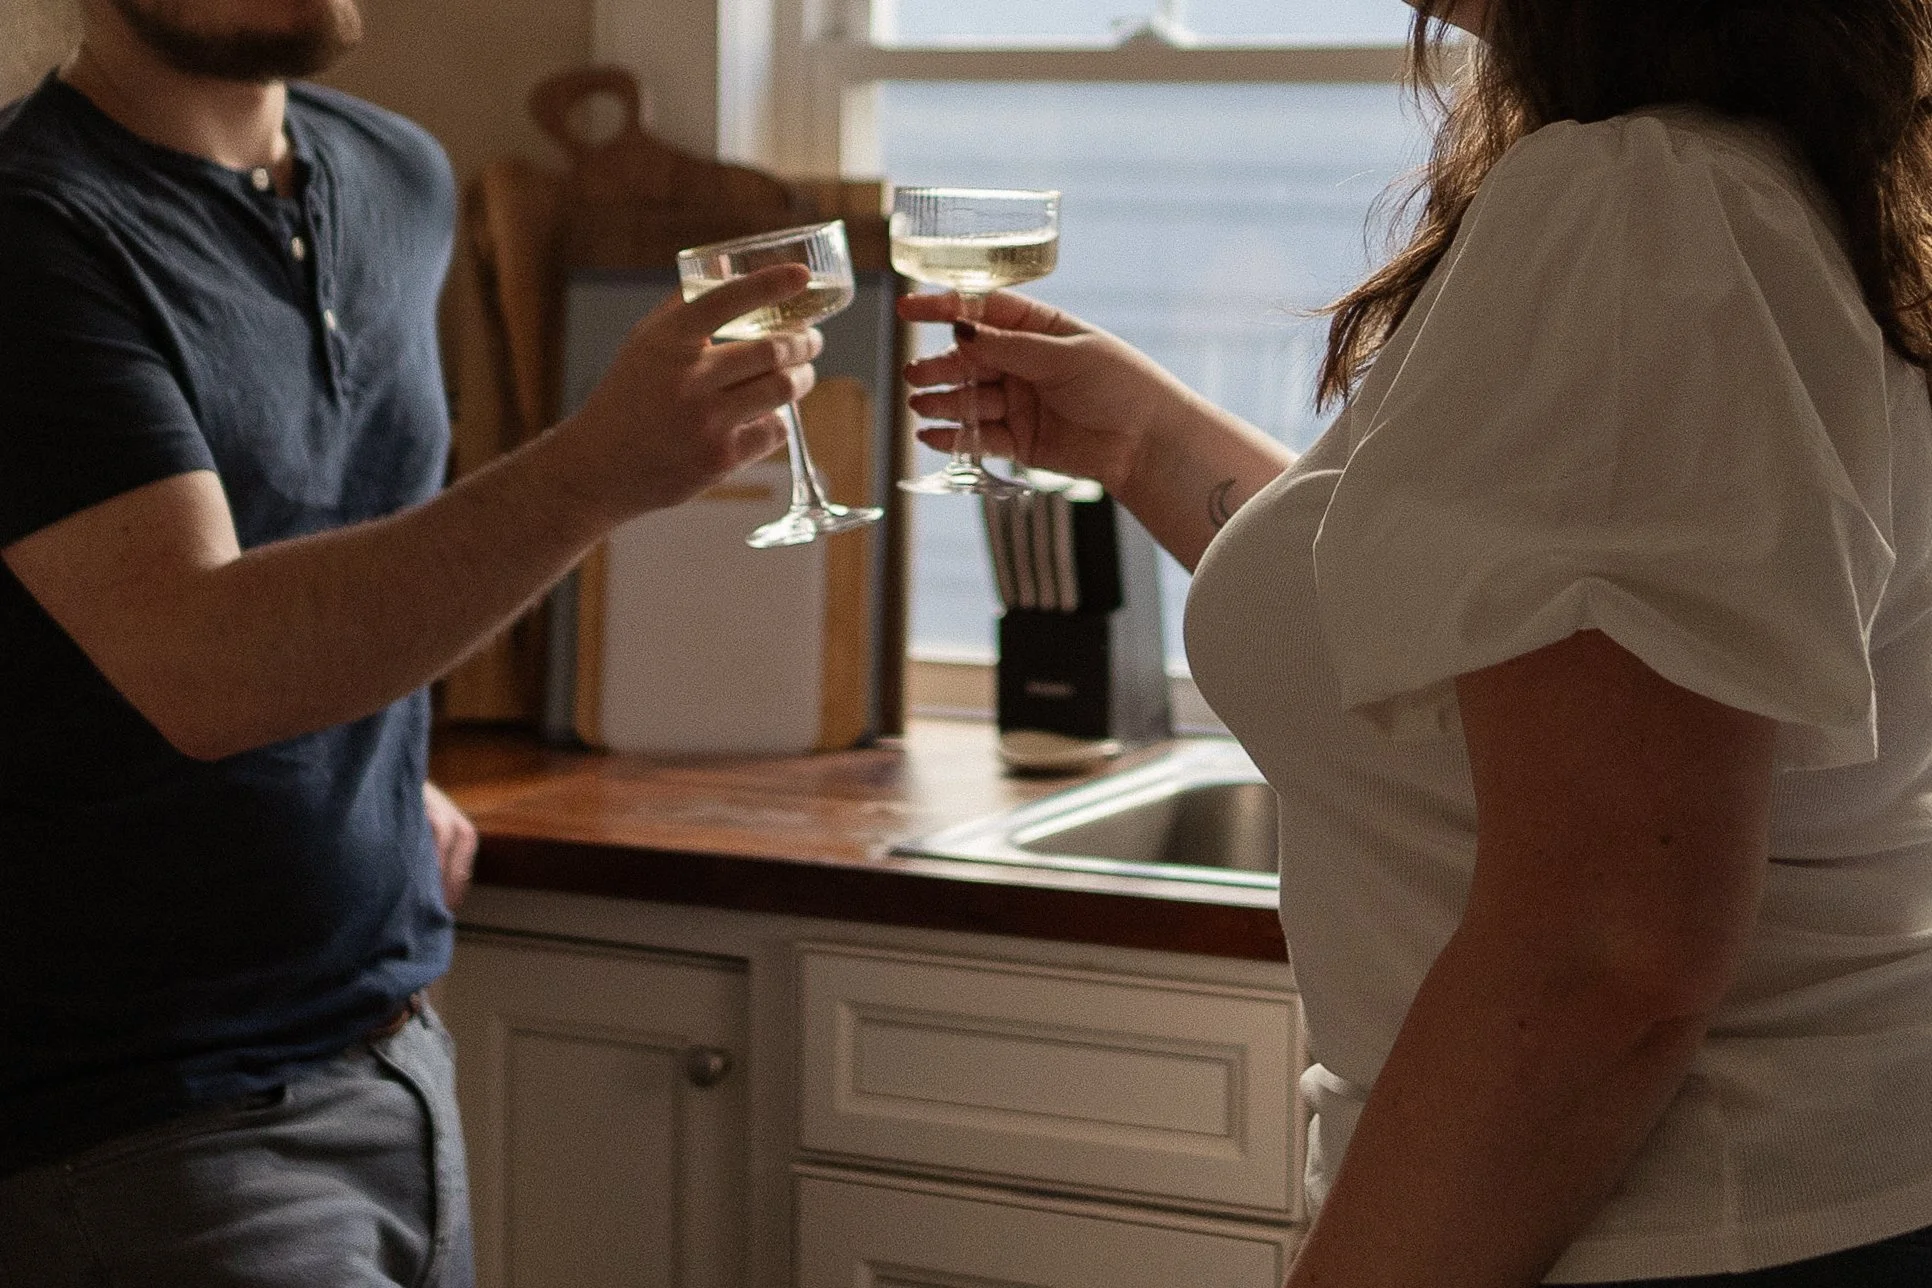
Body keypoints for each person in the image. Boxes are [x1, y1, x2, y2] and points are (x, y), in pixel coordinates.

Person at [901, 0, 1932, 1283]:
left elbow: (1604, 964)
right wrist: (1143, 446)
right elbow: (1512, 633)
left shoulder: (1641, 210)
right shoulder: (1735, 191)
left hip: (1665, 1233)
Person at [0, 0, 820, 1282]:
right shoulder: (31, 232)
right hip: (148, 1131)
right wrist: (596, 473)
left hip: (403, 1054)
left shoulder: (398, 176)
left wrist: (375, 769)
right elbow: (203, 663)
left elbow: (329, 538)